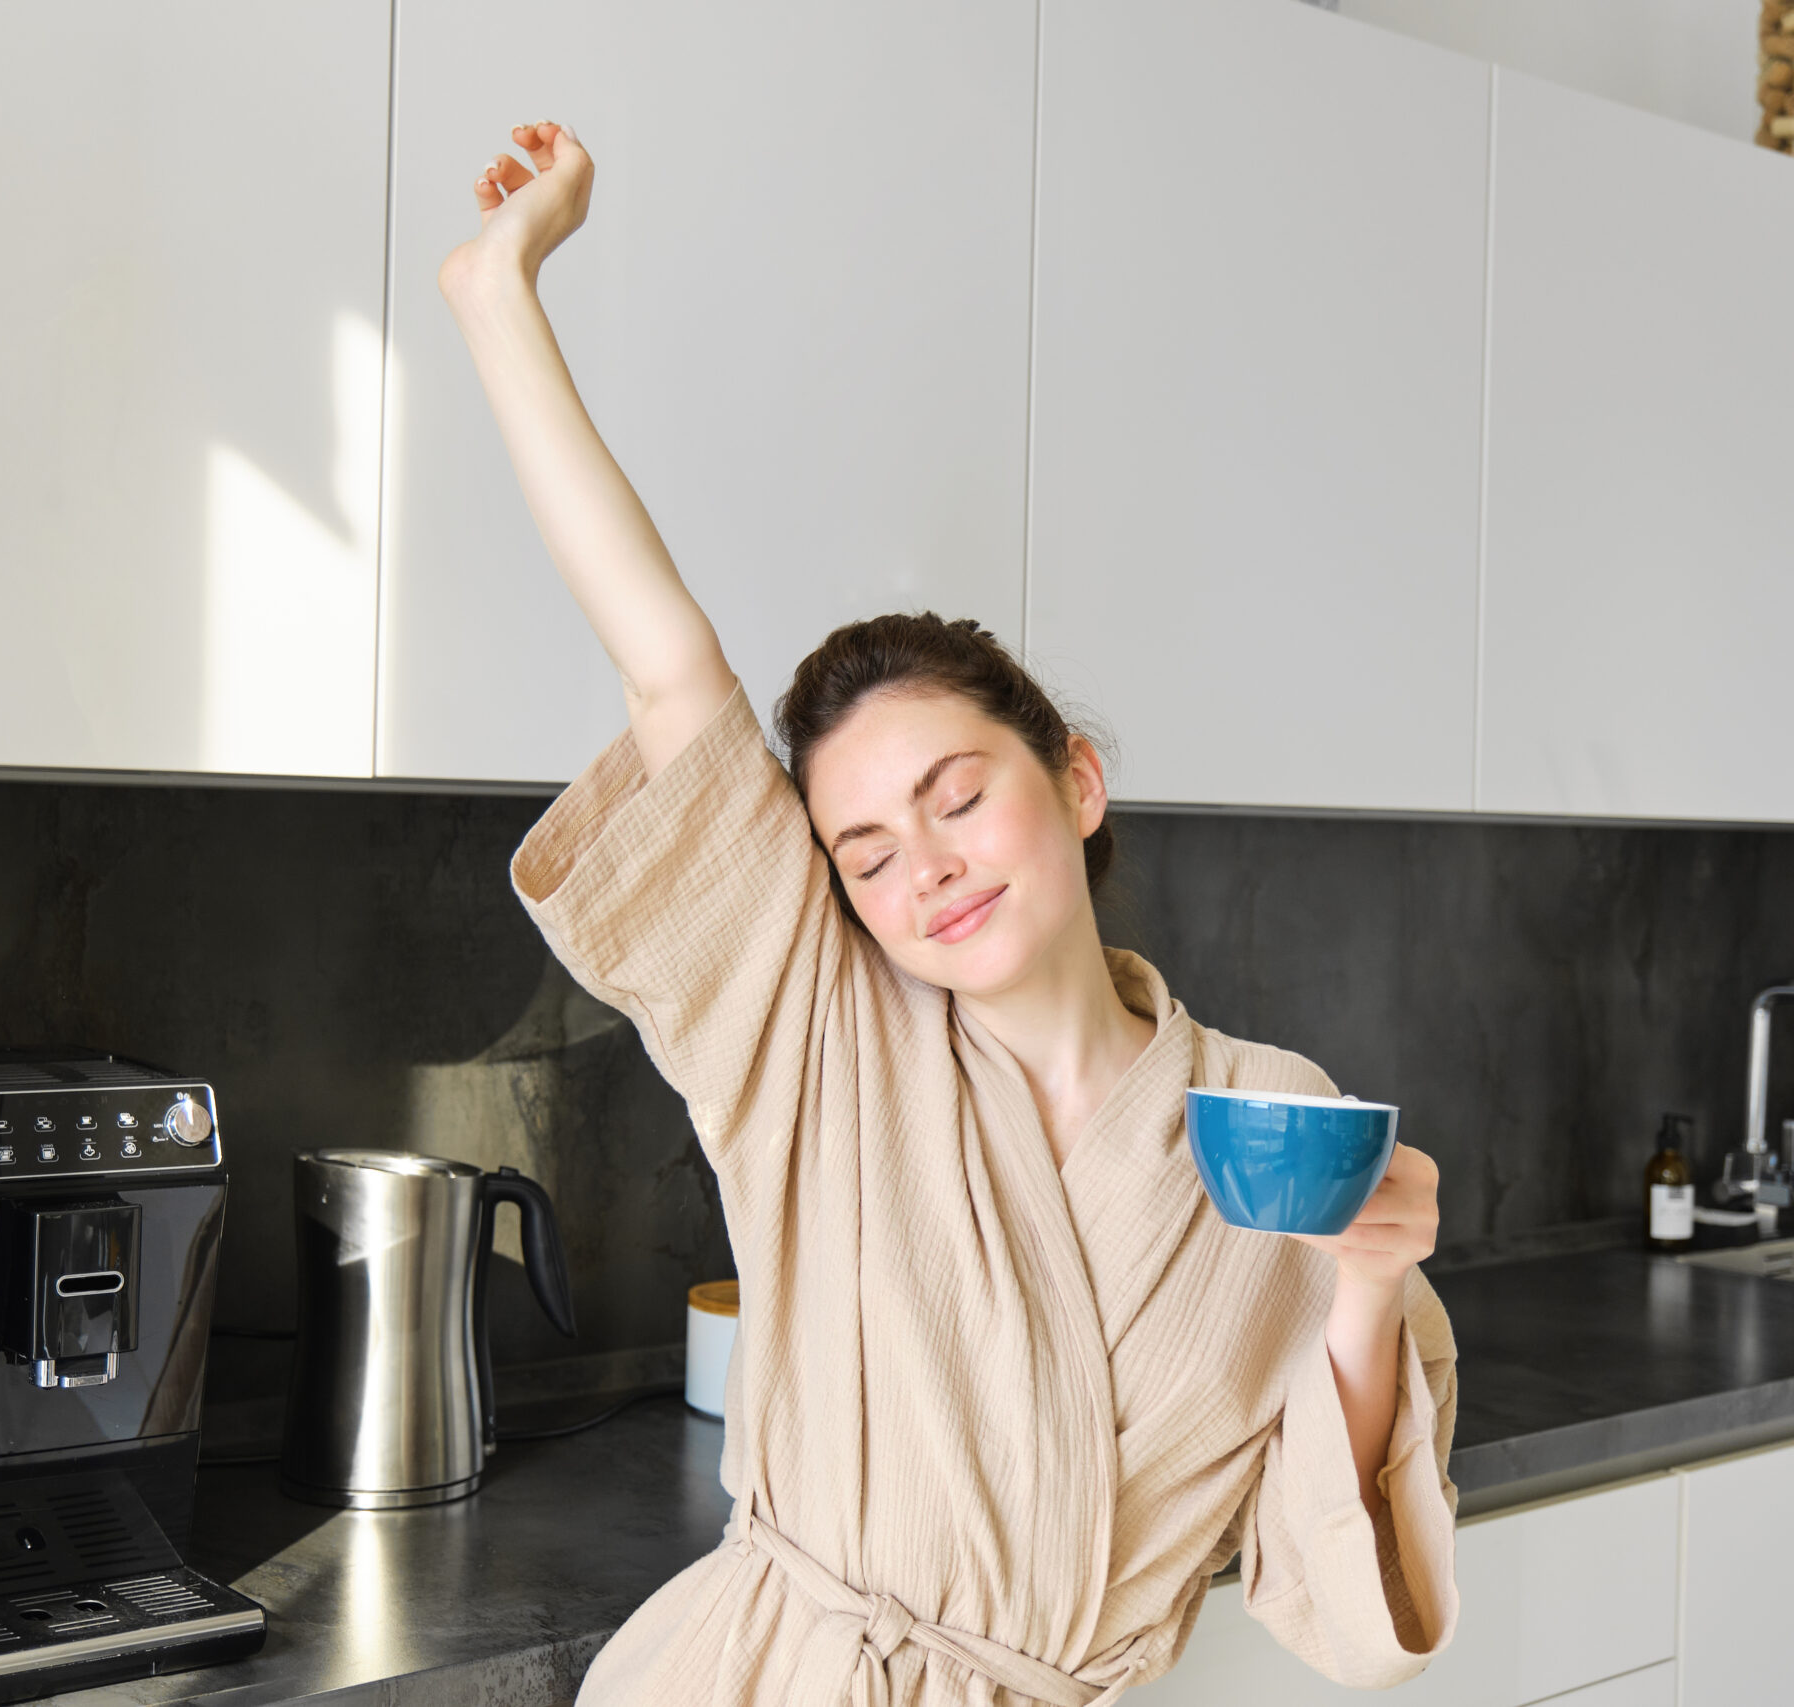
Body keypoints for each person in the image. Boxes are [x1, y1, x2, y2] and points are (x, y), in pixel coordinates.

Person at [438, 121, 1459, 1707]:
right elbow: (670, 673)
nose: (922, 865)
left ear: (1079, 784)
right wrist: (504, 292)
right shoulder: (820, 1035)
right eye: (861, 848)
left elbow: (1329, 1566)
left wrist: (1376, 1287)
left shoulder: (1274, 1123)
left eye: (959, 795)